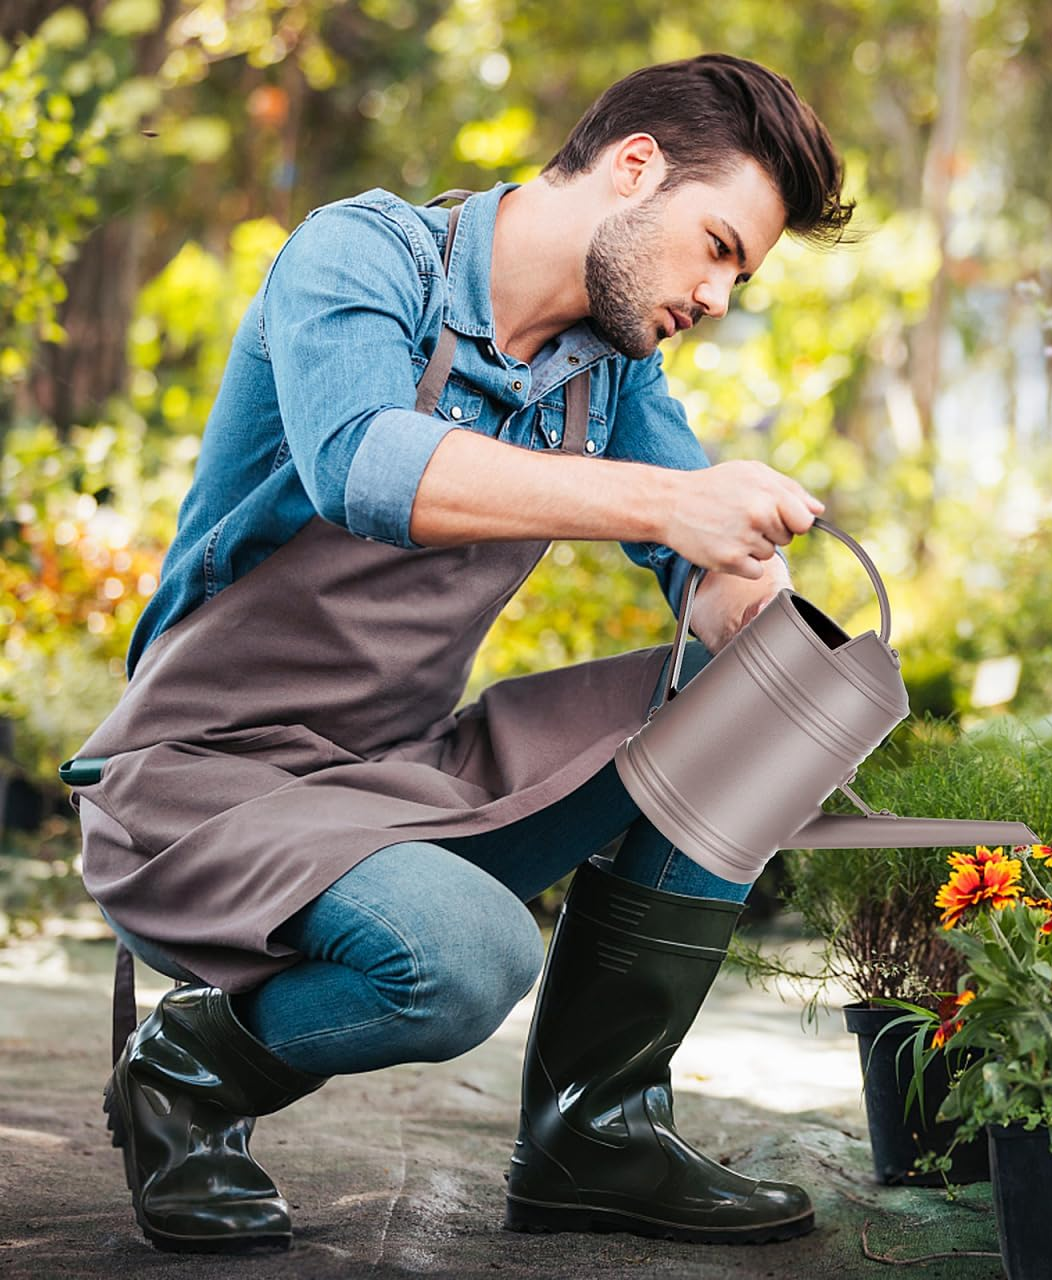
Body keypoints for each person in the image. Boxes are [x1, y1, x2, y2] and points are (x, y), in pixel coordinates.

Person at [63, 52, 854, 1254]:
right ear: (633, 167)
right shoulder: (364, 256)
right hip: (206, 778)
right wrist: (657, 506)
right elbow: (365, 465)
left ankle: (593, 1132)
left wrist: (748, 599)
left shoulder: (610, 369)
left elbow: (701, 552)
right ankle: (187, 1069)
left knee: (744, 711)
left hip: (396, 775)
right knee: (462, 957)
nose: (718, 294)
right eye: (717, 246)